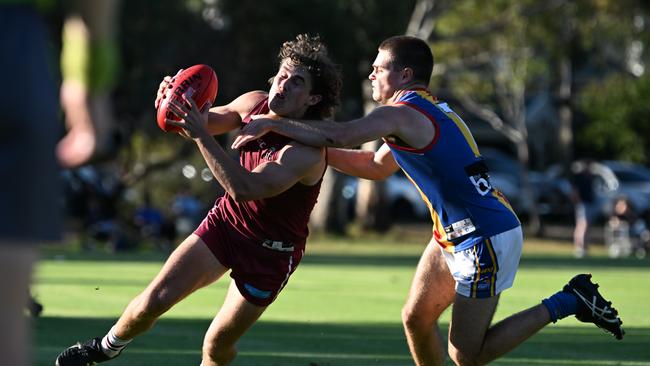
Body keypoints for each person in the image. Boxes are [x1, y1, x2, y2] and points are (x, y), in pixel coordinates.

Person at [234, 35, 625, 365]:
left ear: (404, 75)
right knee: (416, 319)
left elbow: (341, 135)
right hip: (456, 233)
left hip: (484, 236)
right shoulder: (419, 111)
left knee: (465, 356)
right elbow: (374, 165)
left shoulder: (402, 111)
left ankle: (568, 300)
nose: (371, 74)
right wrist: (304, 147)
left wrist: (273, 123)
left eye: (378, 67)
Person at [54, 33, 342, 366]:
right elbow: (196, 122)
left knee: (216, 345)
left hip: (270, 254)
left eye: (296, 83)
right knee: (153, 301)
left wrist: (200, 135)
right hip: (227, 225)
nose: (283, 85)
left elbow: (244, 187)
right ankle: (104, 348)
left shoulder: (305, 152)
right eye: (282, 75)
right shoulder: (254, 103)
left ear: (312, 99)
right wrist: (174, 102)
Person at [570, 159, 599, 258]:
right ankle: (579, 247)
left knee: (586, 225)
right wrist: (578, 202)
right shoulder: (579, 178)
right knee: (582, 225)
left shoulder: (590, 177)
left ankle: (585, 246)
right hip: (583, 204)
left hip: (588, 204)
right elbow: (575, 192)